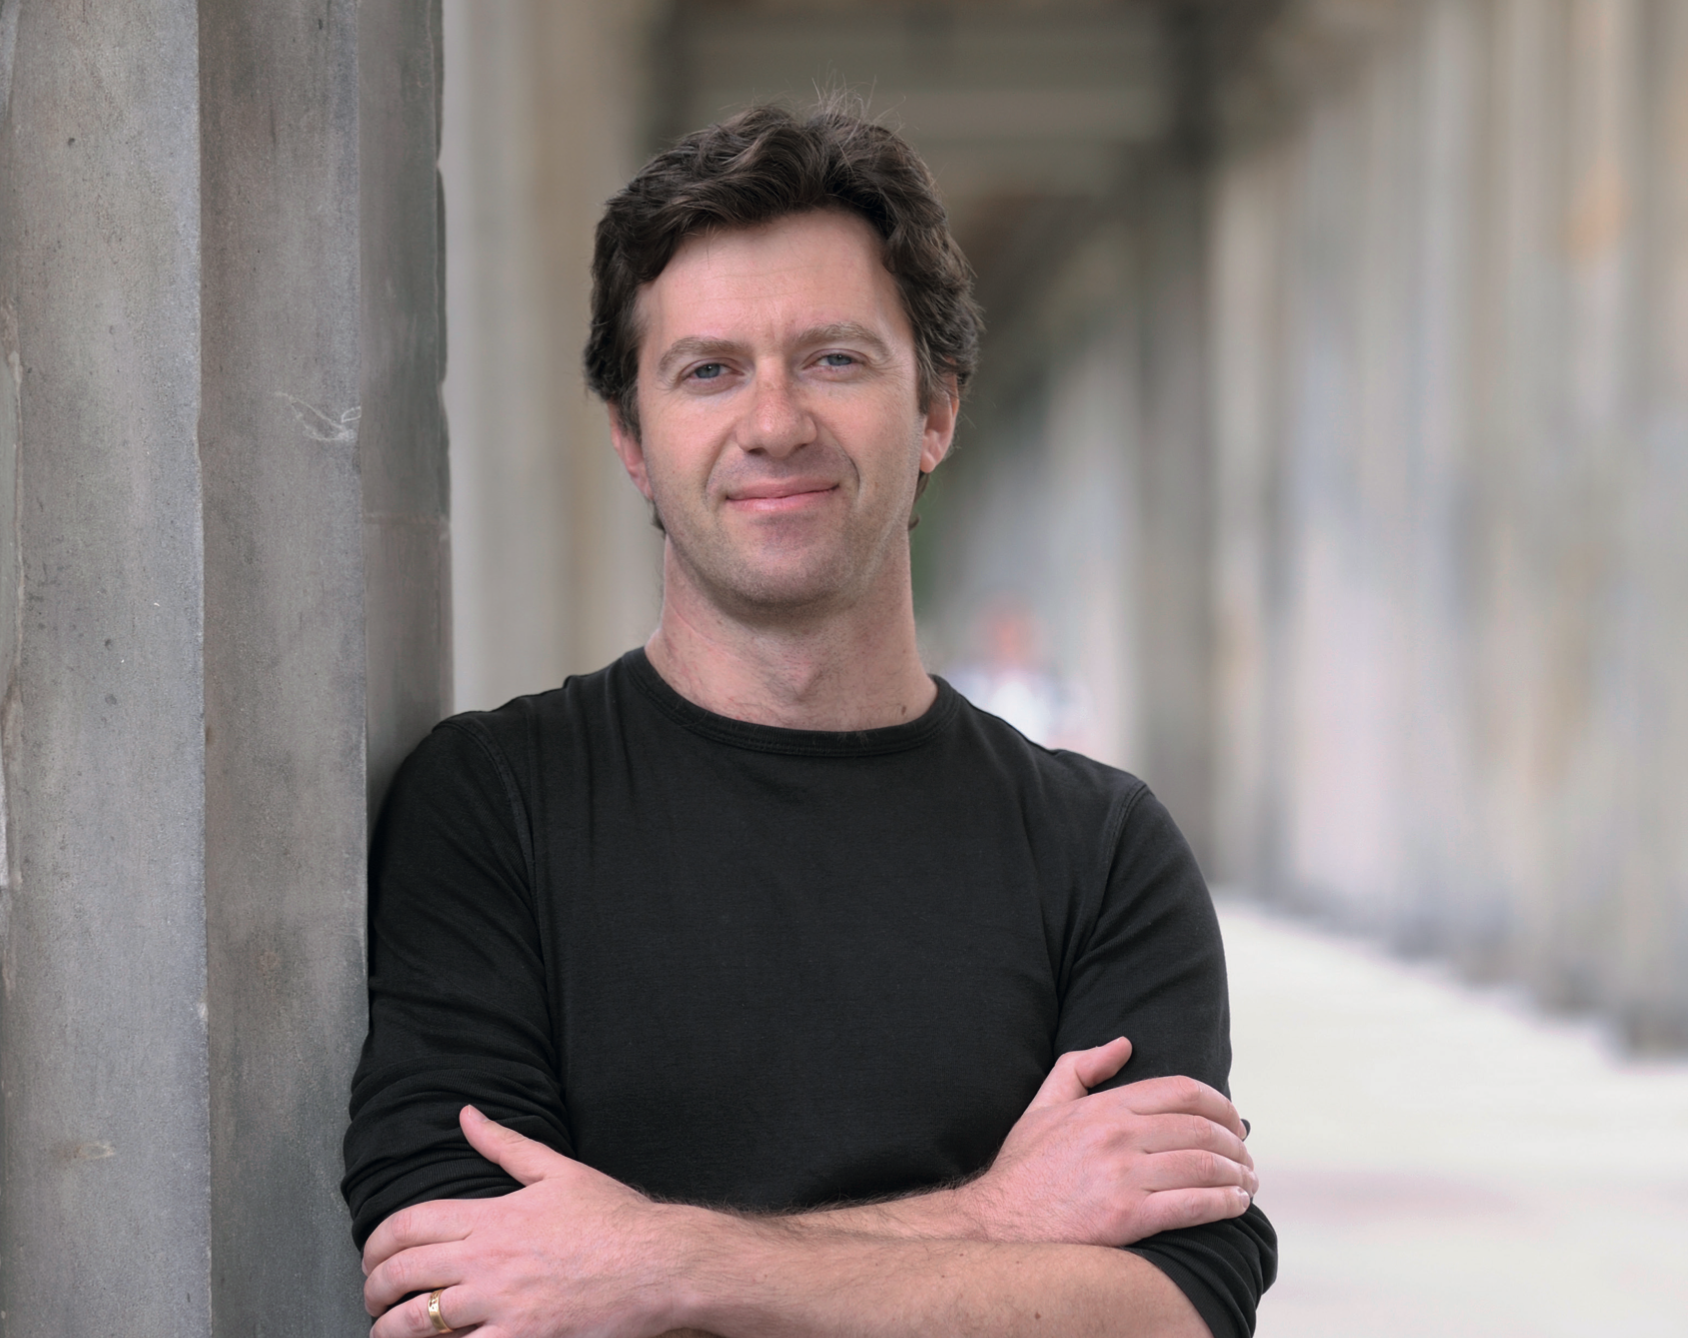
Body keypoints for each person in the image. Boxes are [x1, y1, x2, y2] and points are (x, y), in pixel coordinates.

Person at [342, 100, 1276, 1338]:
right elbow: (451, 1286)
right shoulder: (492, 807)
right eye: (708, 370)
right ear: (631, 440)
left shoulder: (1098, 850)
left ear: (935, 411)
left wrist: (653, 1267)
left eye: (833, 360)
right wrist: (994, 1221)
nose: (774, 423)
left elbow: (1170, 1309)